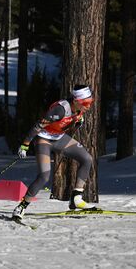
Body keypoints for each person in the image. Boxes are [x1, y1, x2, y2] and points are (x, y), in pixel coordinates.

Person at [12, 85, 95, 220]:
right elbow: (38, 125)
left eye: (91, 102)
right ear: (76, 101)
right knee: (44, 176)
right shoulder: (60, 109)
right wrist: (25, 144)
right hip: (44, 140)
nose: (89, 106)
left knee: (87, 159)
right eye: (86, 103)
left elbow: (72, 119)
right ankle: (21, 206)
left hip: (59, 138)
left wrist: (78, 120)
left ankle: (76, 198)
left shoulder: (79, 108)